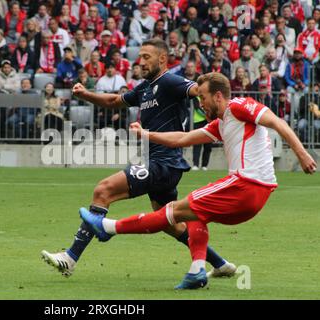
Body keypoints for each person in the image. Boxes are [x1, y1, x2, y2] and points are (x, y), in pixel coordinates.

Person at [80, 72, 317, 289]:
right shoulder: (222, 123)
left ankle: (107, 227)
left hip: (245, 185)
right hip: (253, 195)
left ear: (217, 96)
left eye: (202, 97)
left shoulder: (239, 106)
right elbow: (181, 139)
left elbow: (278, 122)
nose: (199, 103)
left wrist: (303, 154)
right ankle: (198, 271)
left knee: (171, 211)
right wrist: (146, 134)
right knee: (193, 215)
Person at [41, 39, 234, 279]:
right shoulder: (145, 88)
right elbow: (114, 101)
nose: (140, 61)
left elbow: (198, 89)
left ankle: (70, 258)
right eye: (140, 56)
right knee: (169, 223)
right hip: (162, 164)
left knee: (103, 190)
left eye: (146, 57)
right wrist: (86, 94)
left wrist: (222, 102)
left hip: (163, 163)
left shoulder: (170, 81)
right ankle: (220, 263)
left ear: (162, 59)